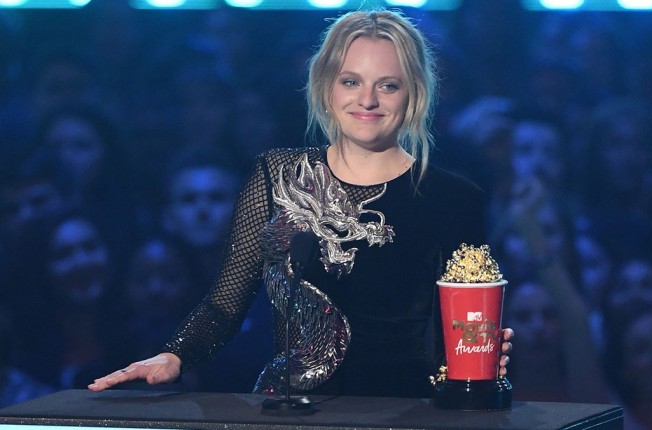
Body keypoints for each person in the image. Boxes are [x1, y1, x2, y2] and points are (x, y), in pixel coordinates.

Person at [89, 9, 513, 398]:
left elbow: (464, 322)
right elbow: (226, 303)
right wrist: (175, 355)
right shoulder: (277, 175)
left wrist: (480, 360)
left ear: (414, 93)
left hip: (404, 410)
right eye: (351, 81)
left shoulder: (454, 197)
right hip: (294, 407)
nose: (367, 100)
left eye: (387, 85)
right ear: (326, 87)